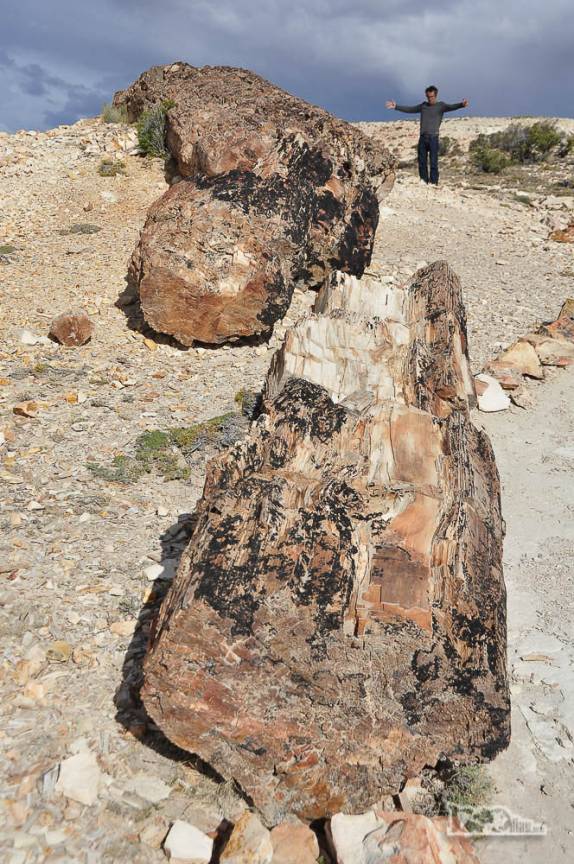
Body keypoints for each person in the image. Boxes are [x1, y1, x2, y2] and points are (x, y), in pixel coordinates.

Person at [385, 86, 469, 185]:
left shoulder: (441, 106)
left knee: (433, 162)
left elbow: (452, 107)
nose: (430, 99)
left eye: (432, 96)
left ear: (436, 95)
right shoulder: (423, 106)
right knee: (422, 162)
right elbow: (410, 109)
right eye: (428, 97)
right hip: (423, 138)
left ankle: (433, 183)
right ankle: (424, 181)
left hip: (433, 137)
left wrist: (462, 104)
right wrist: (396, 106)